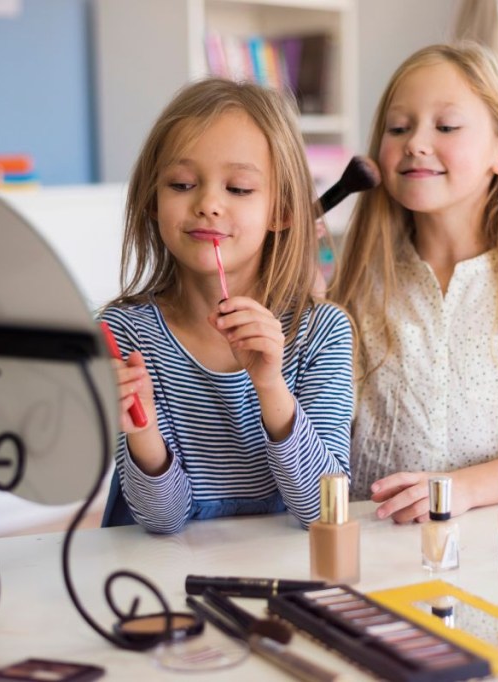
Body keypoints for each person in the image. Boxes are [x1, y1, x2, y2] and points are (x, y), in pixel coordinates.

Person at [330, 43, 498, 523]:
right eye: (398, 128)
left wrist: (460, 489)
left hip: (497, 548)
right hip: (375, 545)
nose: (416, 141)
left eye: (447, 126)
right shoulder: (355, 286)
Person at [100, 78, 353, 533]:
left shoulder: (323, 333)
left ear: (283, 211)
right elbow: (162, 519)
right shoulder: (128, 333)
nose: (208, 204)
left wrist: (271, 385)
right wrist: (141, 425)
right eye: (181, 183)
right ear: (152, 202)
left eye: (238, 188)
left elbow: (323, 510)